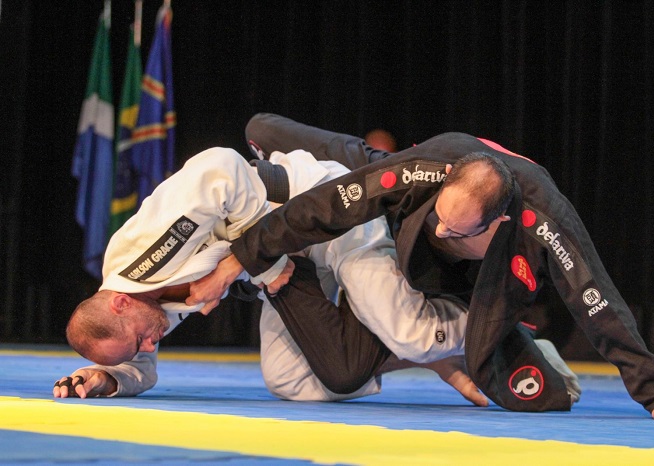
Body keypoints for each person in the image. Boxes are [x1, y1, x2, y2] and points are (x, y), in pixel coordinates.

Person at [202, 113, 654, 421]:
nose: (442, 232)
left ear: (499, 220)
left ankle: (475, 345)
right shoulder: (427, 169)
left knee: (535, 395)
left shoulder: (545, 223)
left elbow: (598, 304)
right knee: (261, 129)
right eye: (440, 219)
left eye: (457, 230)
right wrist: (245, 256)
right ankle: (428, 335)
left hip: (471, 291)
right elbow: (331, 204)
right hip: (397, 197)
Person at [53, 145, 510, 404]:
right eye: (139, 347)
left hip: (321, 214)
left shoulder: (143, 254)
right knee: (290, 382)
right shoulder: (135, 309)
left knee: (410, 332)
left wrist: (254, 262)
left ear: (119, 302)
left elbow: (222, 167)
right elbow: (143, 370)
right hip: (286, 268)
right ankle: (435, 353)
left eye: (140, 342)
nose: (150, 348)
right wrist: (110, 378)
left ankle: (488, 322)